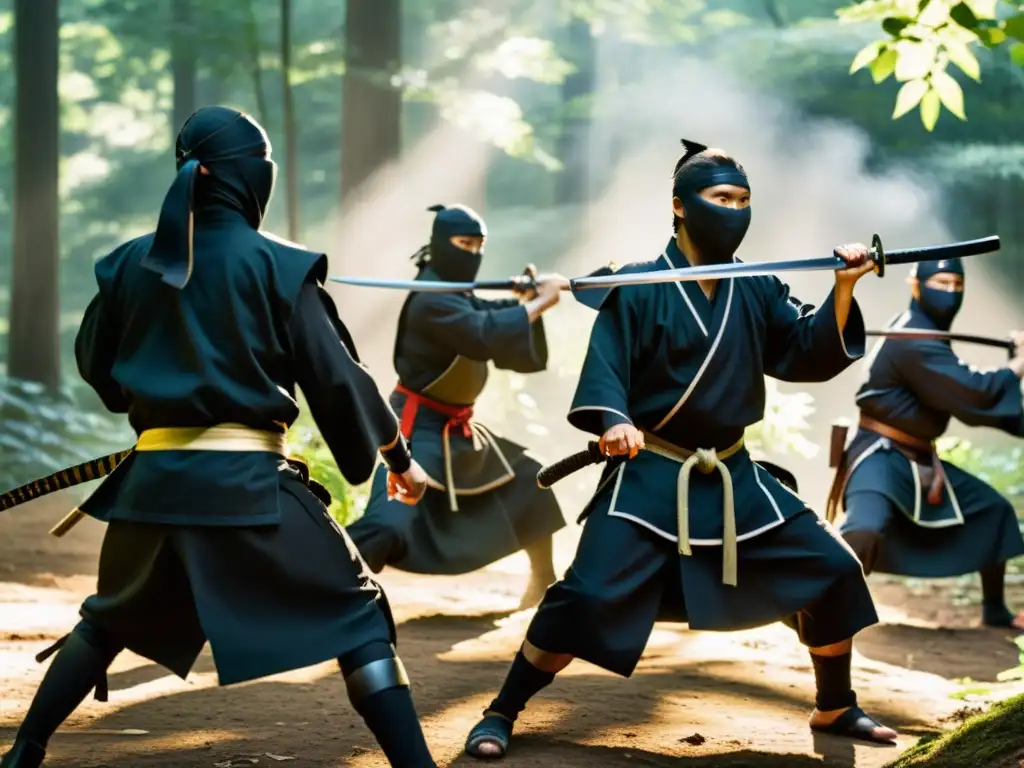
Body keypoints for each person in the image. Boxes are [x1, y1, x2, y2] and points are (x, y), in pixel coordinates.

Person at [0, 107, 438, 768]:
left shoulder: (126, 266)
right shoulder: (280, 267)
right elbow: (339, 378)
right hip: (250, 489)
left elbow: (99, 365)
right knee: (361, 616)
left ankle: (24, 751)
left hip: (151, 491)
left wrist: (159, 398)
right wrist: (396, 458)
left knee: (109, 618)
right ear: (250, 176)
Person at [463, 139, 899, 760]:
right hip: (650, 472)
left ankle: (835, 706)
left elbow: (804, 350)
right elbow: (606, 367)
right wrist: (613, 419)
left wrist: (844, 289)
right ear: (680, 206)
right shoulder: (638, 287)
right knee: (584, 595)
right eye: (721, 197)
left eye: (744, 199)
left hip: (731, 475)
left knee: (832, 570)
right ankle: (502, 710)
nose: (736, 209)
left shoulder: (758, 287)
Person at [346, 204, 568, 608]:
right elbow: (481, 333)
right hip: (415, 430)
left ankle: (543, 580)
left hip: (459, 429)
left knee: (530, 479)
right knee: (387, 527)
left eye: (479, 244)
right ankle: (320, 590)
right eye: (463, 243)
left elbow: (489, 316)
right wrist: (538, 305)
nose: (472, 252)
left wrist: (526, 302)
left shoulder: (454, 294)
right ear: (438, 244)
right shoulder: (431, 299)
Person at [827, 257, 1024, 630]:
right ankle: (813, 600)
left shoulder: (927, 336)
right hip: (877, 454)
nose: (949, 293)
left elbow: (964, 402)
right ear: (915, 285)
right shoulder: (912, 338)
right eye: (940, 283)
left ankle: (995, 609)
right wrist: (1018, 366)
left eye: (956, 285)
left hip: (918, 456)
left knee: (994, 512)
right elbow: (973, 391)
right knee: (864, 529)